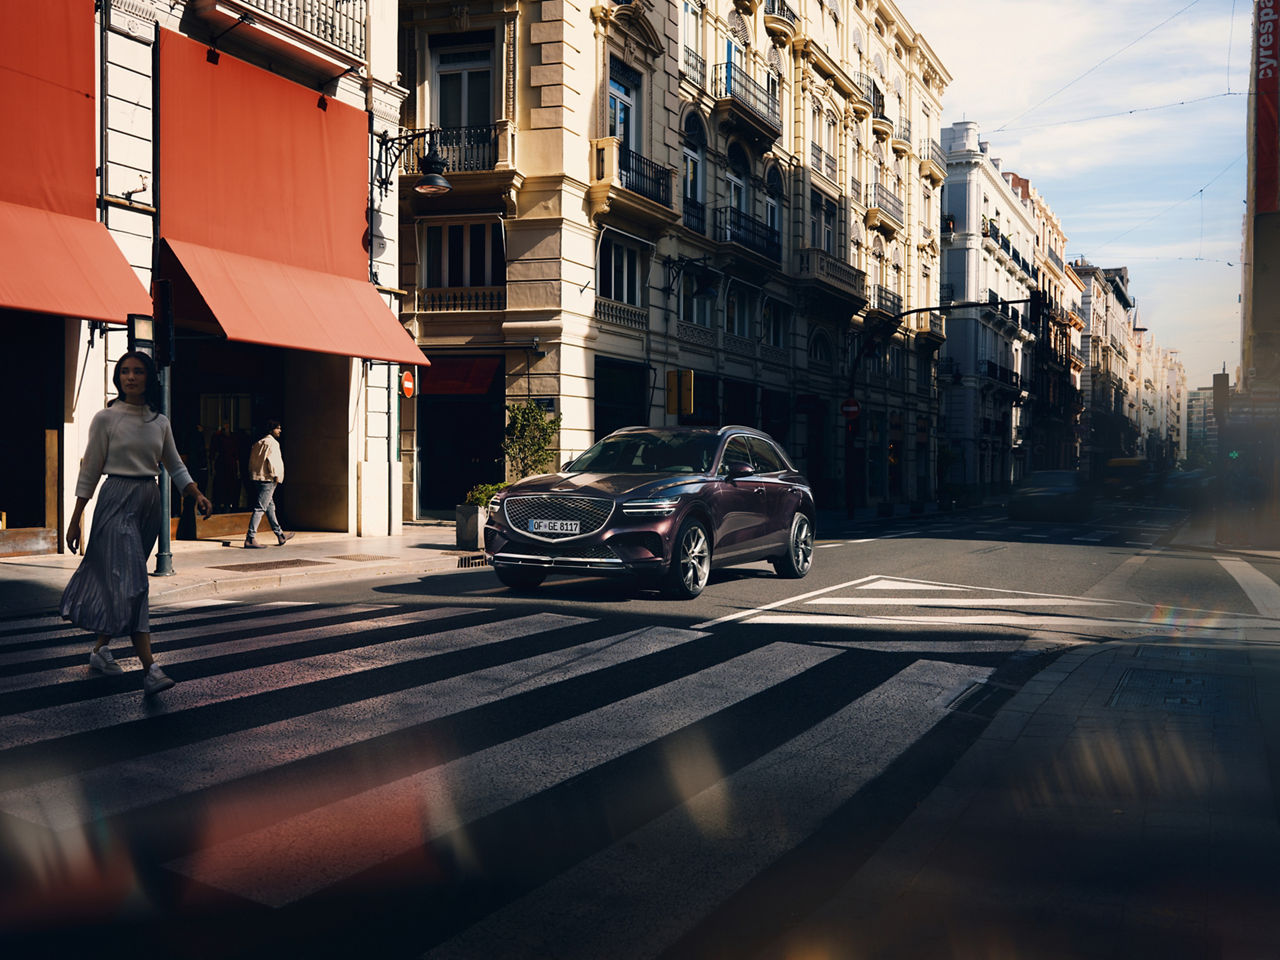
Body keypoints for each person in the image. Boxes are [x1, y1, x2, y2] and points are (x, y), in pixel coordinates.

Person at [62, 351, 212, 696]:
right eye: (125, 371)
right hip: (115, 499)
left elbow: (174, 465)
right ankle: (151, 669)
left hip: (148, 502)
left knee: (125, 583)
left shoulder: (159, 421)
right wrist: (75, 520)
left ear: (149, 378)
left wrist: (196, 493)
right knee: (134, 583)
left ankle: (100, 650)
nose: (131, 377)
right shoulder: (105, 418)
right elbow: (90, 470)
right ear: (118, 378)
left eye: (138, 371)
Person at [245, 419, 293, 549]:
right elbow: (275, 462)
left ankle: (280, 535)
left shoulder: (258, 443)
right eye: (278, 428)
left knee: (270, 507)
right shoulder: (273, 443)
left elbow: (252, 462)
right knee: (260, 508)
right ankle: (250, 537)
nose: (280, 430)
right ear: (272, 430)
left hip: (258, 478)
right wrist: (277, 476)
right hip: (268, 480)